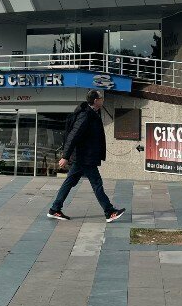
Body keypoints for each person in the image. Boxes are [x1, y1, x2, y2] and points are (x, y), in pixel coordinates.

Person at [47, 90, 125, 223]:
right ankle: (109, 212)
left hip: (84, 157)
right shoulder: (85, 115)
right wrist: (65, 156)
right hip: (85, 157)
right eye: (101, 98)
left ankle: (55, 209)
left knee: (69, 182)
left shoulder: (93, 112)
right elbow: (73, 135)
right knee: (97, 184)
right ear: (95, 100)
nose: (103, 99)